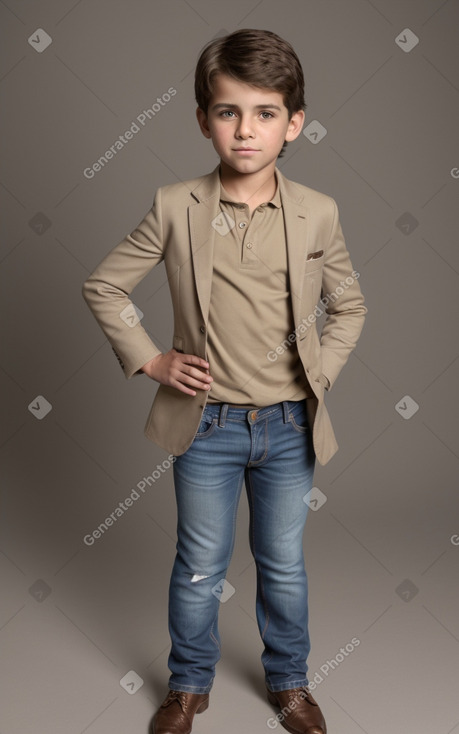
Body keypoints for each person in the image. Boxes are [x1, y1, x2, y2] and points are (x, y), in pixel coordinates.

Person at [82, 28, 367, 734]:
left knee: (283, 566)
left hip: (286, 425)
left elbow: (349, 306)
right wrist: (149, 359)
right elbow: (104, 285)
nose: (246, 129)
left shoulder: (316, 212)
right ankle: (187, 686)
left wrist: (317, 375)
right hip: (203, 424)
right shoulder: (176, 204)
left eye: (265, 113)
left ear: (293, 123)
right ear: (204, 119)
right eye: (228, 111)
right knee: (200, 566)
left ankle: (290, 684)